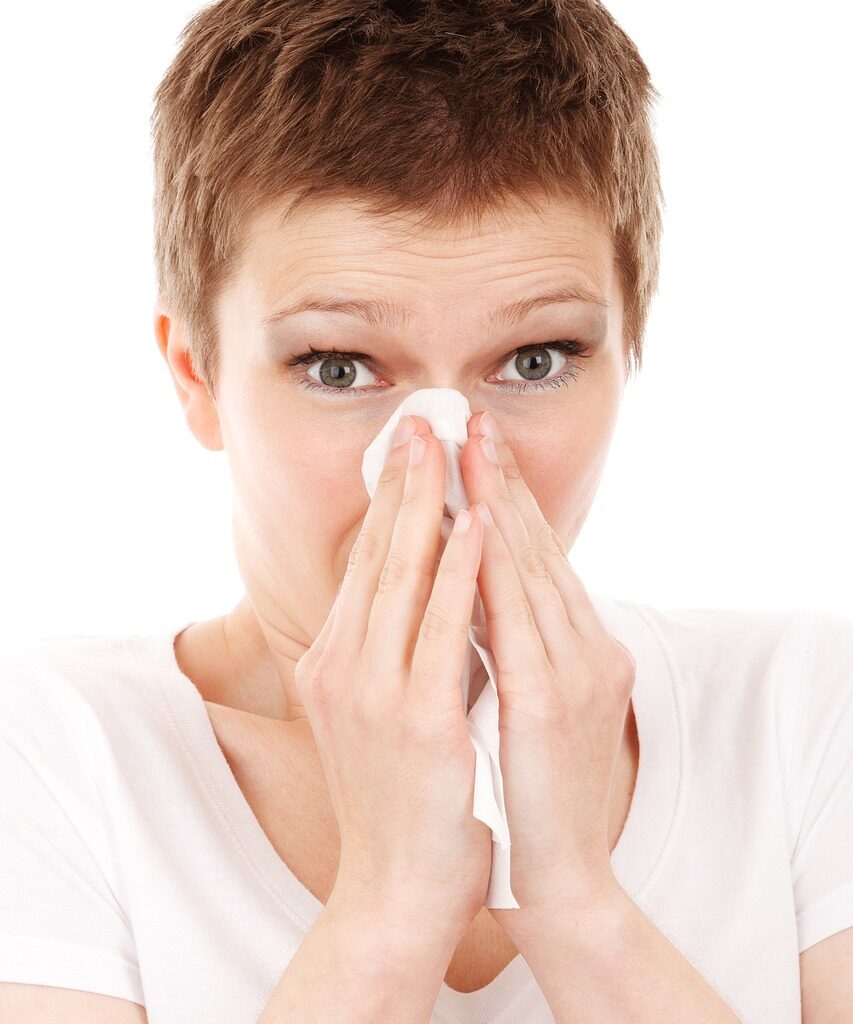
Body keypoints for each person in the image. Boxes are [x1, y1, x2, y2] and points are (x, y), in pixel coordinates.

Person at [1, 1, 851, 1021]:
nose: (444, 464)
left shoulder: (802, 709)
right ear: (197, 375)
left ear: (628, 347)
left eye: (535, 360)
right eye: (339, 365)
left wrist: (576, 899)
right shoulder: (57, 752)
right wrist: (390, 905)